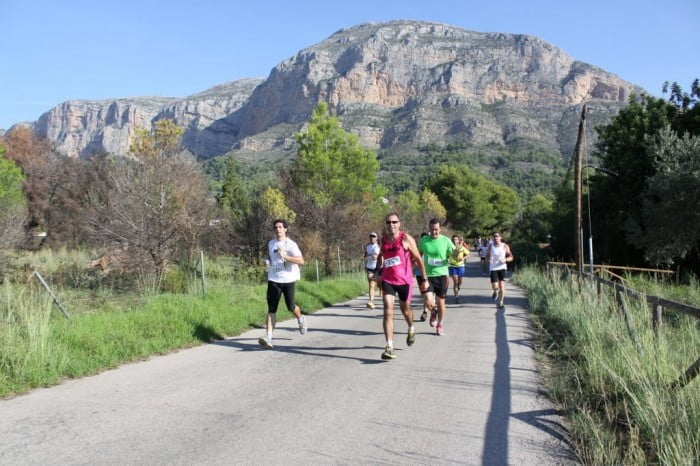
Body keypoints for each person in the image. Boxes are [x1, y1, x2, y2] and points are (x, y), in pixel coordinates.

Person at [376, 213, 428, 360]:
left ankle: (411, 327)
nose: (391, 225)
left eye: (394, 222)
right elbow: (381, 256)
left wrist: (424, 278)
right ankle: (389, 346)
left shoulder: (406, 239)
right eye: (388, 222)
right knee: (388, 310)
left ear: (399, 223)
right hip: (388, 280)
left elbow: (418, 259)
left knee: (405, 310)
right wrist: (377, 271)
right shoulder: (384, 240)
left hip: (404, 281)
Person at [258, 219, 307, 349]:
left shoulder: (291, 245)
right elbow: (270, 257)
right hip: (274, 279)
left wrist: (286, 257)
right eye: (276, 227)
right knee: (271, 309)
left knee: (291, 307)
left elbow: (301, 261)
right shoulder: (271, 243)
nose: (278, 229)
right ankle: (268, 337)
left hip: (288, 280)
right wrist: (267, 261)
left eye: (280, 227)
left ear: (285, 229)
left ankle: (300, 319)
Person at [418, 218, 454, 336]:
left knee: (441, 302)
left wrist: (458, 253)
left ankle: (440, 324)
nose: (434, 232)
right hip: (428, 275)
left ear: (440, 229)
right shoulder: (423, 241)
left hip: (442, 275)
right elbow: (419, 255)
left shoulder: (446, 241)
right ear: (429, 229)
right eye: (432, 230)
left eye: (437, 230)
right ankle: (433, 311)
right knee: (427, 300)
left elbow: (454, 254)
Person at [485, 232, 514, 308]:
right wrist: (489, 259)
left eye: (497, 236)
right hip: (493, 268)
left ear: (500, 237)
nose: (496, 238)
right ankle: (495, 292)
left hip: (502, 268)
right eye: (494, 236)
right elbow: (487, 256)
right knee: (495, 286)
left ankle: (501, 302)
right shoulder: (491, 246)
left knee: (502, 286)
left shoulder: (505, 246)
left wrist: (505, 260)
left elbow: (511, 257)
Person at [414, 232, 434, 322]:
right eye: (423, 239)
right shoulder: (418, 249)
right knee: (424, 295)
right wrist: (419, 265)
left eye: (426, 238)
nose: (424, 240)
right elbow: (414, 260)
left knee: (429, 295)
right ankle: (430, 310)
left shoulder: (431, 249)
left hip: (430, 274)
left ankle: (426, 311)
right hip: (419, 274)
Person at [448, 235, 469, 303]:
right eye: (454, 239)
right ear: (452, 240)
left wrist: (463, 258)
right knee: (455, 281)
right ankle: (456, 296)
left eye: (456, 239)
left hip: (461, 266)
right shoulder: (450, 247)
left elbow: (468, 254)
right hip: (452, 266)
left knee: (460, 282)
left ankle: (458, 287)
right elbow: (446, 255)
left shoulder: (461, 248)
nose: (455, 241)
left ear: (458, 240)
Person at [363, 232, 381, 309]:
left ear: (376, 238)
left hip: (377, 267)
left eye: (374, 236)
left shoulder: (377, 247)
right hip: (370, 267)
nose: (372, 238)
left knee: (379, 284)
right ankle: (371, 301)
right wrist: (365, 256)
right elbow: (365, 255)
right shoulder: (368, 246)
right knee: (371, 284)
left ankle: (380, 288)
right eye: (371, 236)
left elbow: (375, 257)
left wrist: (369, 256)